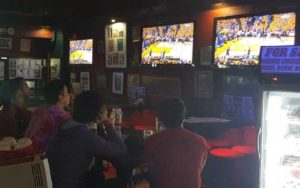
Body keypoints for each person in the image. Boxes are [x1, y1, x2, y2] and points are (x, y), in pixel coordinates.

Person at [47, 90, 127, 188]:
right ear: (97, 114)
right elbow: (121, 149)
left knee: (97, 176)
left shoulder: (63, 127)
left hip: (55, 183)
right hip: (72, 184)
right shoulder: (85, 137)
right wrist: (106, 122)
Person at [144, 98, 208, 188]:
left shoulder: (151, 141)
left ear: (160, 118)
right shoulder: (200, 141)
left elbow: (152, 172)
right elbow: (198, 169)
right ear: (184, 117)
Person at [25, 79, 71, 150]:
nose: (69, 95)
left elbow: (29, 137)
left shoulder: (40, 111)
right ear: (61, 98)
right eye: (67, 93)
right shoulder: (63, 117)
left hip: (32, 153)